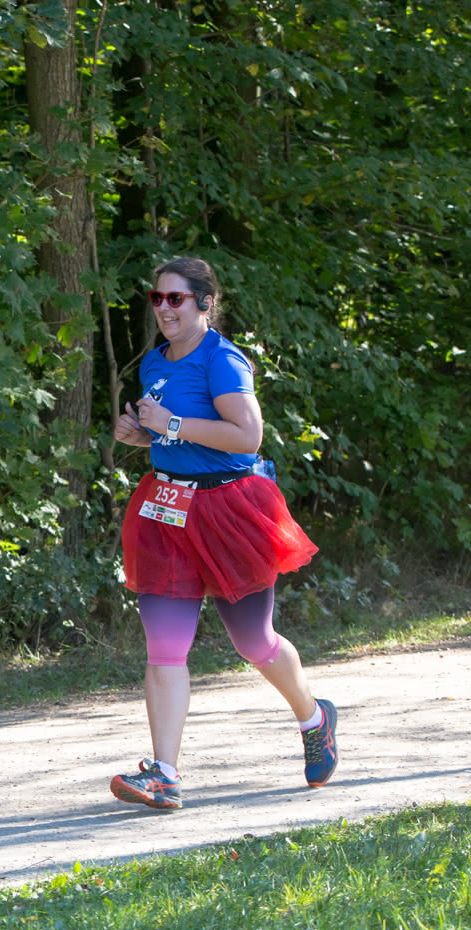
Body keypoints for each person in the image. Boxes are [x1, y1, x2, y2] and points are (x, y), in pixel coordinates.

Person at [109, 257, 336, 810]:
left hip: (229, 509)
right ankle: (164, 774)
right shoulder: (155, 362)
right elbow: (174, 437)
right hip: (166, 509)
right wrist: (143, 437)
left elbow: (247, 436)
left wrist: (171, 424)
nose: (164, 308)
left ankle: (314, 719)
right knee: (164, 647)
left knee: (254, 642)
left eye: (176, 298)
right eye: (157, 298)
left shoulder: (222, 359)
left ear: (205, 303)